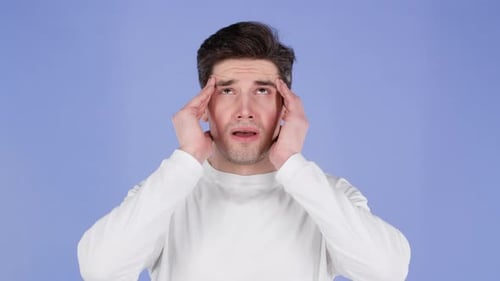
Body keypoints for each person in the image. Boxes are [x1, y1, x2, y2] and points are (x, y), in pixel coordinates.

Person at [77, 21, 411, 281]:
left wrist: (293, 165)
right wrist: (186, 159)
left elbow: (386, 271)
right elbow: (100, 269)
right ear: (203, 107)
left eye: (263, 91)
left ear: (286, 108)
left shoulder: (326, 193)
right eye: (227, 91)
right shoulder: (168, 191)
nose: (245, 110)